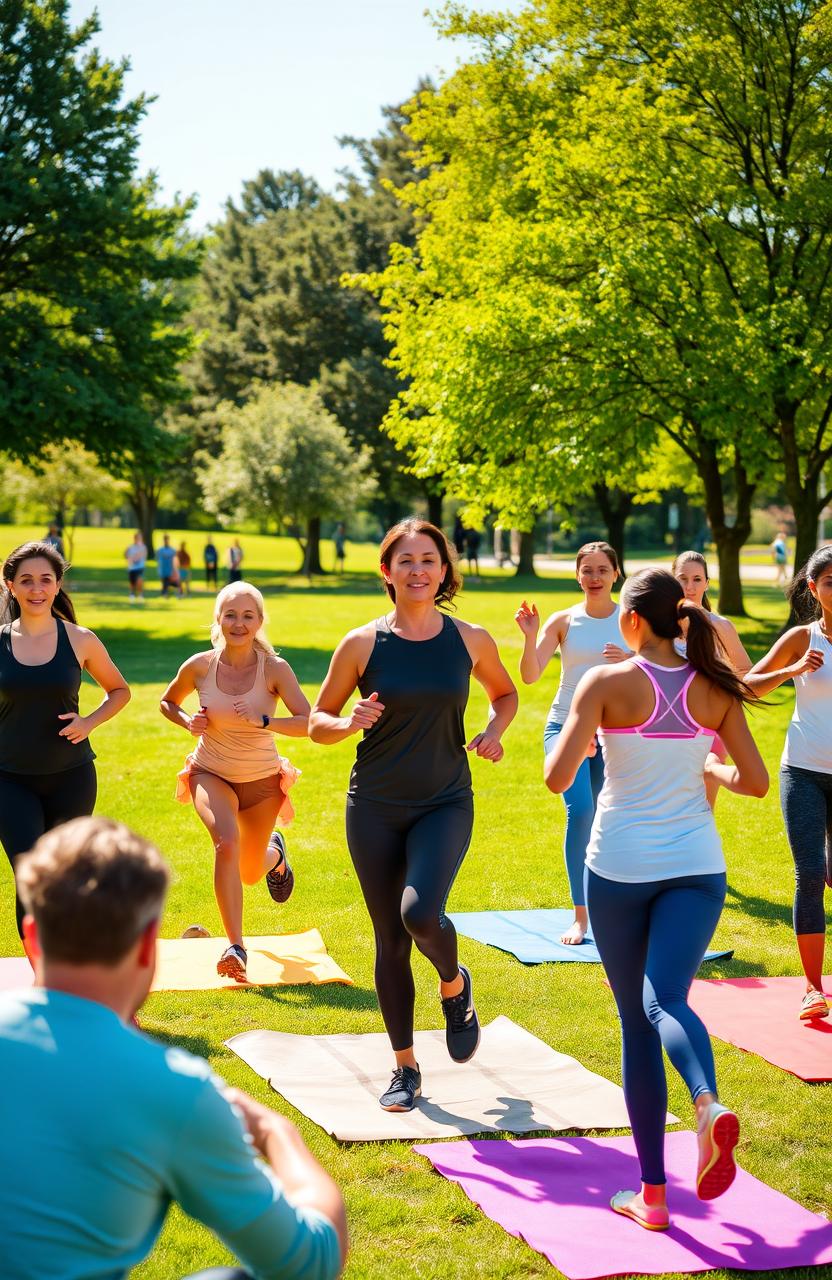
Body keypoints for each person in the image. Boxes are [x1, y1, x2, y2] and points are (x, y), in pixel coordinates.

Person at [1, 815, 347, 1280]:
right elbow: (312, 1259)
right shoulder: (175, 1091)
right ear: (149, 948)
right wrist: (275, 1132)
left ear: (32, 938)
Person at [545, 568, 767, 1231]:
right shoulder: (716, 687)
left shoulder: (606, 683)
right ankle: (705, 1104)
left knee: (638, 1021)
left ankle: (655, 1195)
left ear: (633, 620)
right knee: (668, 997)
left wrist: (582, 740)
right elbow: (753, 782)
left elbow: (557, 777)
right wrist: (708, 765)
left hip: (618, 870)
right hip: (699, 869)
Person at [309, 518, 518, 1113]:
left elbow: (505, 694)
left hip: (444, 800)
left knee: (420, 912)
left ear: (444, 570)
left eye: (429, 559)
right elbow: (318, 720)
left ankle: (455, 986)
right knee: (389, 940)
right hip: (373, 804)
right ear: (387, 572)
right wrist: (345, 722)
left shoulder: (470, 639)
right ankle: (405, 1066)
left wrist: (495, 730)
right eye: (406, 561)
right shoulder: (361, 644)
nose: (418, 570)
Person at [160, 583, 309, 981]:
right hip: (211, 772)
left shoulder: (275, 669)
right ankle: (236, 947)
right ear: (218, 619)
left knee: (249, 872)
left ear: (259, 622)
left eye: (247, 616)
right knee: (226, 844)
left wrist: (266, 721)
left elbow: (307, 721)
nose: (238, 623)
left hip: (262, 781)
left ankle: (275, 855)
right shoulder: (200, 665)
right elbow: (168, 701)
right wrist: (187, 720)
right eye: (230, 615)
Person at [0, 541, 130, 946]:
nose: (36, 589)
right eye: (26, 581)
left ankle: (67, 972)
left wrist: (89, 721)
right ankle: (44, 978)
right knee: (30, 875)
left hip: (71, 777)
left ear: (57, 586)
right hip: (9, 779)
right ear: (10, 587)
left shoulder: (80, 640)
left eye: (45, 580)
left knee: (68, 879)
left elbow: (120, 691)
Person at [515, 541, 625, 944]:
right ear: (577, 575)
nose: (594, 578)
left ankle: (605, 907)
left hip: (613, 733)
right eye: (587, 570)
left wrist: (629, 657)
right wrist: (530, 636)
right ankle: (580, 918)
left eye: (602, 570)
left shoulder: (631, 620)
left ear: (616, 574)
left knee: (601, 819)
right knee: (580, 811)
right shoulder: (564, 621)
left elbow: (658, 668)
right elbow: (530, 675)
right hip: (565, 727)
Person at [744, 546, 832, 1021]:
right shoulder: (802, 638)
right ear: (814, 589)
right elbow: (744, 686)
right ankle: (813, 989)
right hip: (803, 770)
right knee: (809, 875)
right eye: (831, 581)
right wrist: (792, 670)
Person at [672, 550, 752, 808]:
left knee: (702, 809)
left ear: (707, 583)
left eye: (697, 579)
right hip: (666, 728)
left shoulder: (720, 626)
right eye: (682, 578)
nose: (689, 586)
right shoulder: (661, 627)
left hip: (710, 726)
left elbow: (746, 673)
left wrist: (720, 683)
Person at [125, 531, 147, 603]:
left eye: (139, 538)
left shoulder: (143, 547)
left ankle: (140, 595)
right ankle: (132, 594)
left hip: (140, 567)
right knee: (132, 583)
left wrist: (134, 558)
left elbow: (142, 555)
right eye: (137, 538)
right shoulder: (130, 547)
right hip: (132, 568)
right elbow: (127, 556)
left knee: (139, 581)